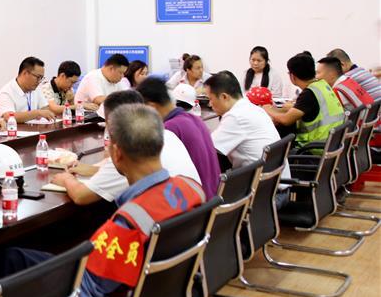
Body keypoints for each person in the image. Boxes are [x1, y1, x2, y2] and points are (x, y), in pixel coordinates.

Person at [1, 105, 206, 297]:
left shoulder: (130, 222)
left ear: (117, 154)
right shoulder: (191, 188)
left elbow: (86, 290)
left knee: (9, 258)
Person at [51, 90, 200, 206]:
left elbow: (81, 196)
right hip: (187, 224)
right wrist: (93, 170)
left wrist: (66, 179)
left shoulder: (127, 151)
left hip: (154, 228)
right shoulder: (166, 135)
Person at [205, 72, 291, 206]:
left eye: (210, 99)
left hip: (262, 196)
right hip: (277, 188)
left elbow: (207, 149)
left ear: (224, 97)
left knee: (204, 200)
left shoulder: (236, 116)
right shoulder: (253, 108)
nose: (210, 104)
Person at [137, 77, 221, 199]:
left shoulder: (169, 129)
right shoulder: (195, 119)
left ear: (151, 106)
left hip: (197, 202)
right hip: (213, 197)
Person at [263, 53, 345, 149]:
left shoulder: (309, 94)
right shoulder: (322, 85)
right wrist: (276, 110)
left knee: (278, 138)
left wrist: (267, 109)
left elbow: (286, 120)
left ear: (292, 76)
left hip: (315, 147)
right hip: (332, 143)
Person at [0, 56, 57, 121]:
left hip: (32, 126)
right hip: (10, 127)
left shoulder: (36, 88)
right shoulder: (5, 92)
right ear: (25, 73)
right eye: (38, 77)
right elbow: (9, 117)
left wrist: (45, 112)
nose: (39, 81)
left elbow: (45, 108)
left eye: (41, 78)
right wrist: (37, 113)